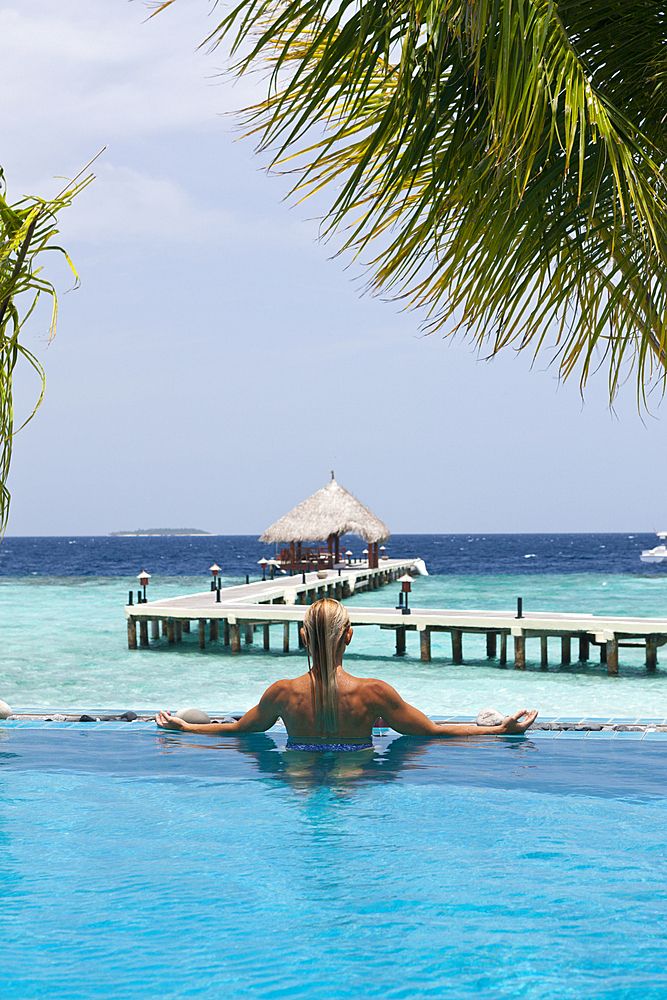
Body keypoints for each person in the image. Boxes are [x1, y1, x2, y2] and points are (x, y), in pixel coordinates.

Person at [155, 598, 538, 750]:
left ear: (303, 637)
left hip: (297, 783)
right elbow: (434, 732)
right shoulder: (373, 693)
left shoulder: (282, 694)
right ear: (350, 636)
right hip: (356, 784)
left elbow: (239, 731)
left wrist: (185, 729)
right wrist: (500, 731)